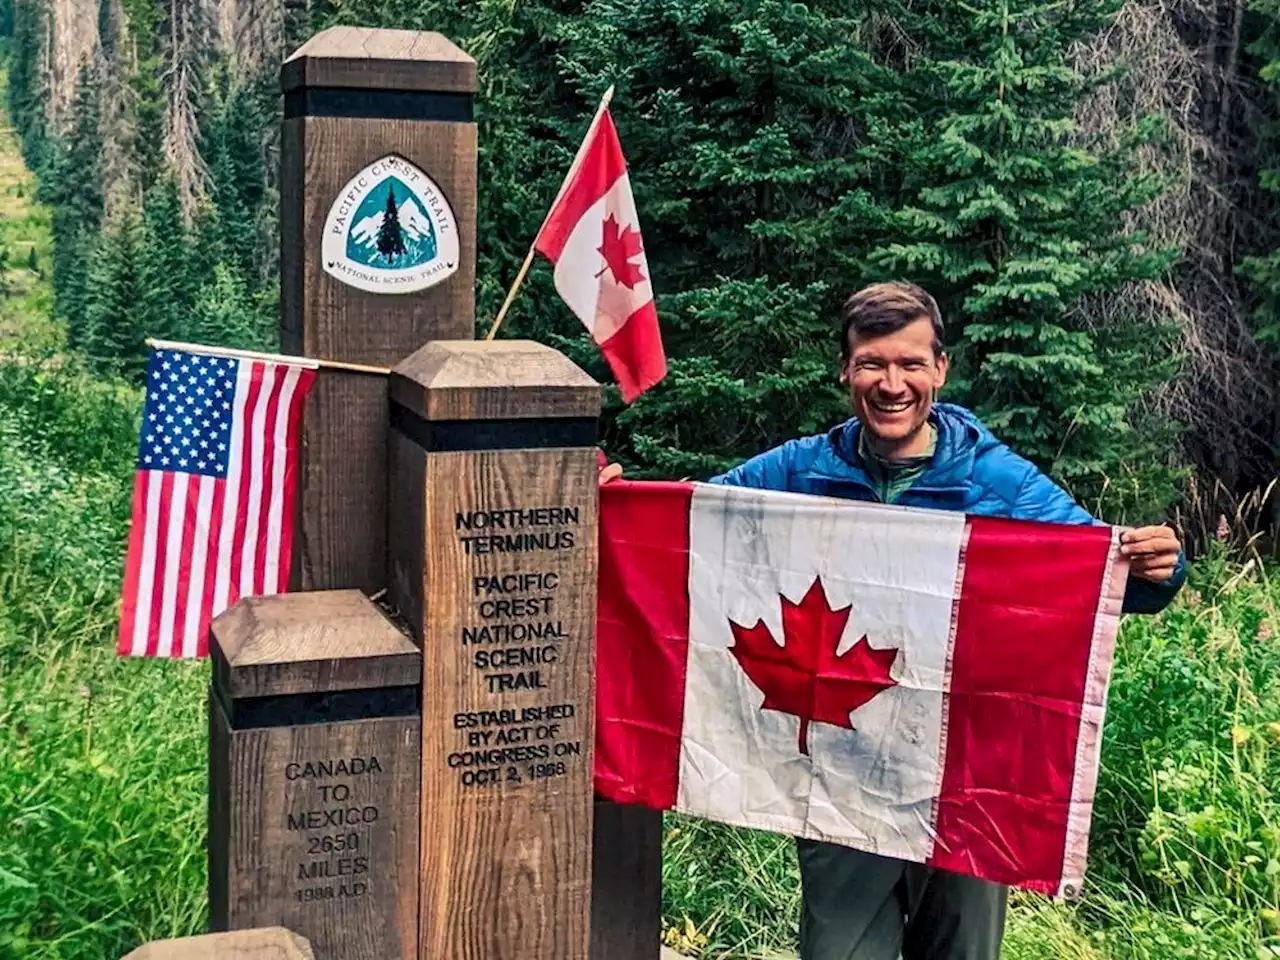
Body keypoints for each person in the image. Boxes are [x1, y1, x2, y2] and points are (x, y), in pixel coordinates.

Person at [600, 281, 1185, 960]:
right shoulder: (801, 471)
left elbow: (1103, 581)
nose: (891, 383)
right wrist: (614, 506)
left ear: (940, 369)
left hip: (967, 776)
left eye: (910, 363)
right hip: (843, 777)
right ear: (846, 370)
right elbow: (687, 530)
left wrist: (1159, 568)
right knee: (839, 952)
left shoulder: (997, 481)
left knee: (961, 953)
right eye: (873, 363)